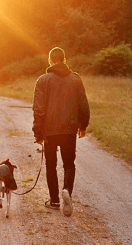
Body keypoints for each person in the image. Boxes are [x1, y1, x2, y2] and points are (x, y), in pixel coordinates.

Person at [32, 47, 90, 217]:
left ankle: (55, 201)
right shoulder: (76, 79)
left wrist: (38, 132)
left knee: (51, 165)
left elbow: (39, 109)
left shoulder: (43, 80)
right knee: (69, 164)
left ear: (50, 61)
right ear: (64, 60)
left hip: (49, 131)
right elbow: (83, 104)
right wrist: (83, 125)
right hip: (70, 130)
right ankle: (67, 192)